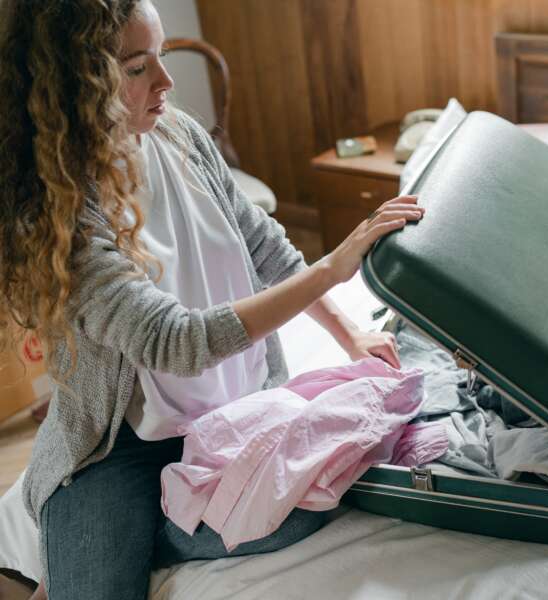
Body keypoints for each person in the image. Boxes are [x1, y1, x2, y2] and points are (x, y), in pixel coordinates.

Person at [0, 1, 424, 598]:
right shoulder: (60, 210)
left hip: (231, 408)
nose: (166, 82)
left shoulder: (180, 135)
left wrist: (348, 333)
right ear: (78, 83)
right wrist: (332, 267)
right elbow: (175, 341)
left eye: (162, 56)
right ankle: (86, 535)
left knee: (307, 508)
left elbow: (264, 246)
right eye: (138, 67)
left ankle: (129, 538)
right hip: (123, 448)